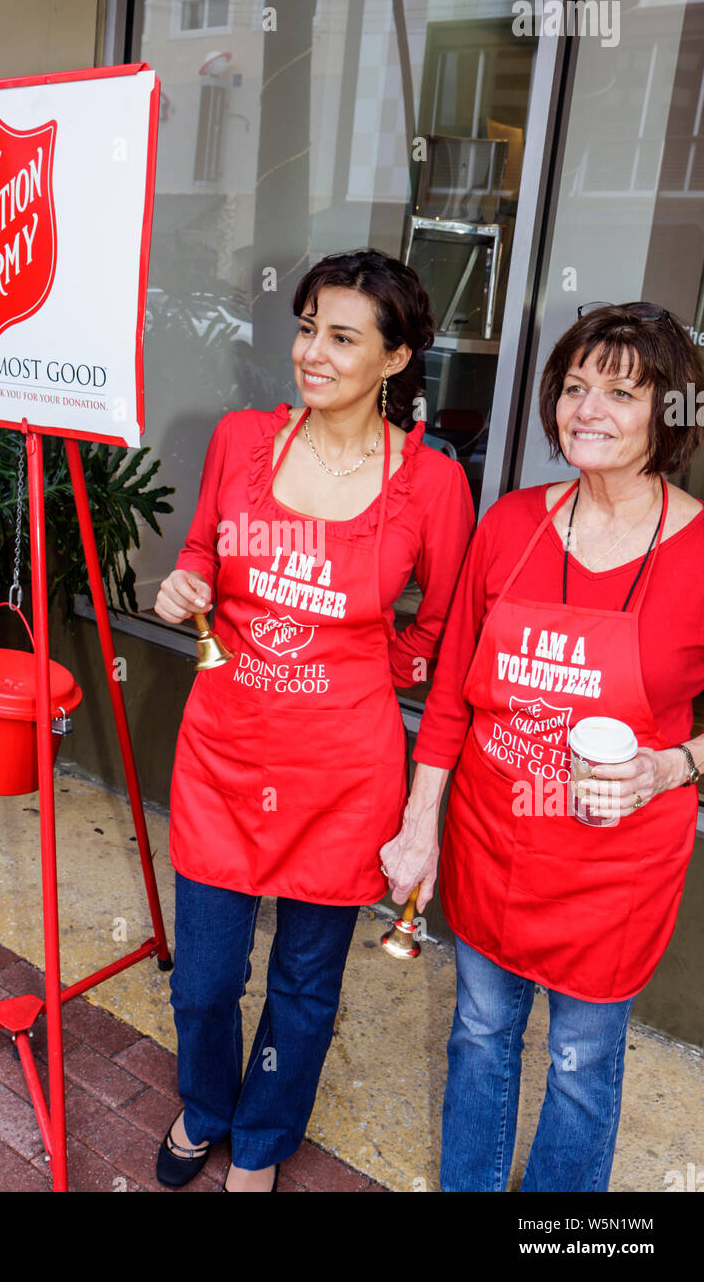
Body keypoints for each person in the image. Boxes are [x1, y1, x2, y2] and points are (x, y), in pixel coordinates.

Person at [153, 248, 474, 1191]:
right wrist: (188, 584)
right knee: (204, 979)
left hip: (343, 772)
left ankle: (260, 1140)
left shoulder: (432, 484)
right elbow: (204, 547)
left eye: (341, 337)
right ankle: (205, 1103)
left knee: (303, 985)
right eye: (305, 330)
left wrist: (374, 671)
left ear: (395, 358)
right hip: (222, 754)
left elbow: (445, 624)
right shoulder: (241, 440)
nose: (312, 353)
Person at [381, 300, 704, 1192]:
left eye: (621, 393)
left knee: (579, 1065)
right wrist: (420, 824)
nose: (586, 409)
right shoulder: (512, 523)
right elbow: (453, 691)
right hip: (495, 845)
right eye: (573, 387)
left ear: (671, 411)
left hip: (615, 872)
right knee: (480, 1033)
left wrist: (672, 765)